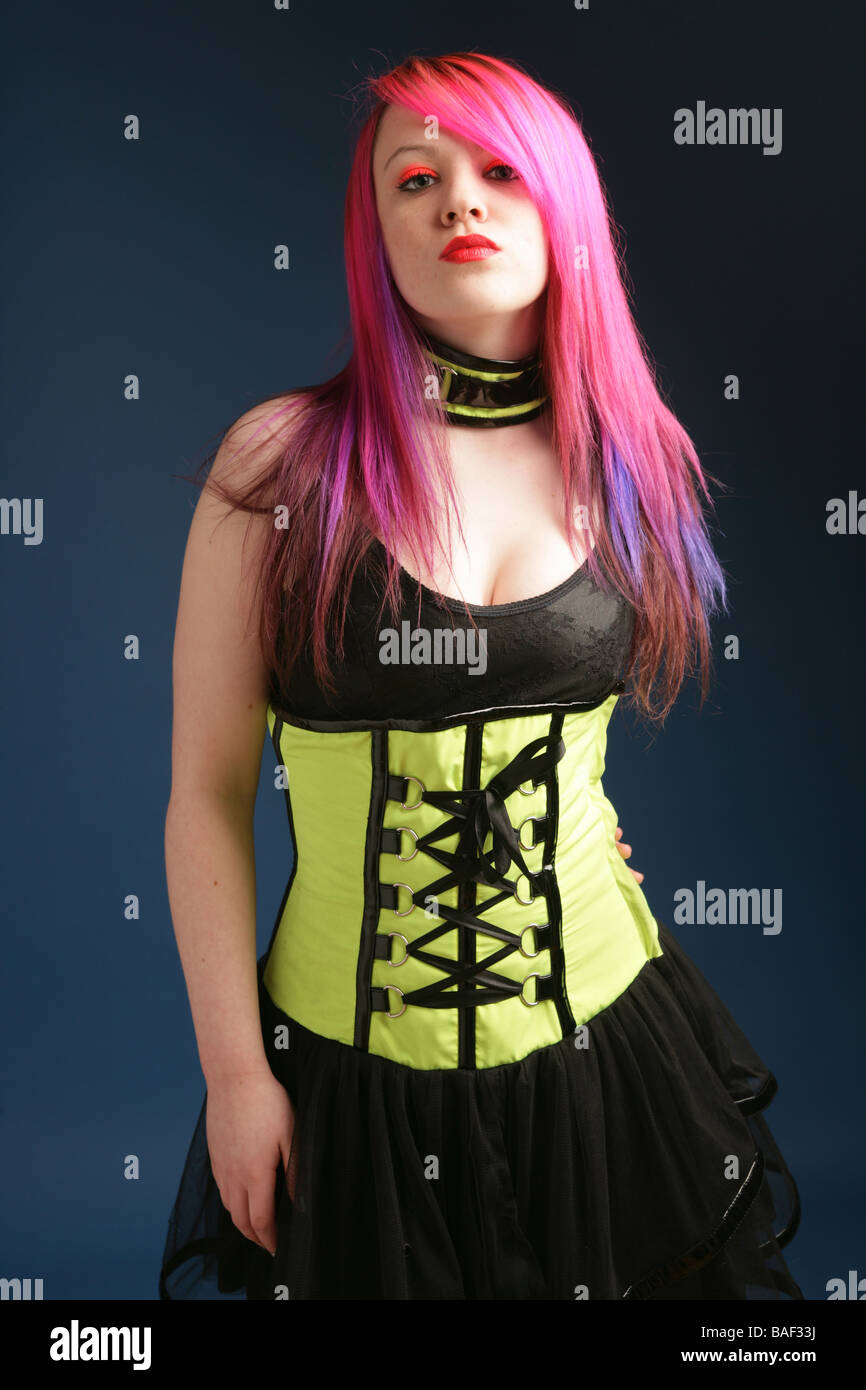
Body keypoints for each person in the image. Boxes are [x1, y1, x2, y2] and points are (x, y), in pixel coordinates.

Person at [158, 51, 803, 1301]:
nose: (460, 202)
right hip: (349, 1070)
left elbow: (577, 736)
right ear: (374, 235)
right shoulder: (280, 466)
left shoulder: (629, 460)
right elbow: (205, 791)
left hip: (607, 1049)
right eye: (416, 178)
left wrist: (587, 832)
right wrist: (238, 1075)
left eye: (500, 169)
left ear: (561, 202)